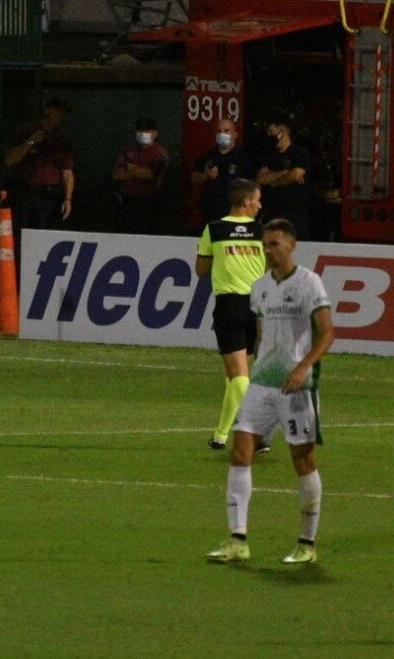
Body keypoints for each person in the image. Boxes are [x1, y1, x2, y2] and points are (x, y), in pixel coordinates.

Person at [207, 218, 334, 565]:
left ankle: (307, 543)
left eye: (274, 244)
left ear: (291, 245)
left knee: (303, 460)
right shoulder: (260, 286)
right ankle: (237, 540)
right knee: (240, 451)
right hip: (262, 384)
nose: (268, 250)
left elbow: (326, 332)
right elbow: (262, 334)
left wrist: (303, 366)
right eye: (265, 245)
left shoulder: (310, 283)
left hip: (297, 387)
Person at [195, 179, 267, 451]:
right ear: (247, 201)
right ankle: (236, 434)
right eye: (258, 199)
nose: (260, 204)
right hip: (259, 309)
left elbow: (201, 270)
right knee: (241, 375)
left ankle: (236, 432)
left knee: (238, 375)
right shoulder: (263, 231)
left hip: (229, 307)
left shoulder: (214, 229)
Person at [5, 97, 74, 260]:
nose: (62, 117)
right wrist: (30, 143)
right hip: (25, 192)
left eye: (64, 114)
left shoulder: (63, 139)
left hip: (49, 196)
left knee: (44, 237)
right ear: (49, 111)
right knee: (21, 235)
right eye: (59, 112)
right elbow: (9, 160)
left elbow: (67, 172)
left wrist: (68, 198)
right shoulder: (27, 131)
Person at [256, 116, 312, 240]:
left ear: (283, 133)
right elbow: (261, 178)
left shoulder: (300, 153)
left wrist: (274, 181)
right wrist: (286, 172)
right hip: (273, 214)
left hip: (295, 216)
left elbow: (297, 174)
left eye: (271, 132)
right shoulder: (268, 155)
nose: (268, 136)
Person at [112, 117, 169, 234]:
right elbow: (116, 174)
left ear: (155, 133)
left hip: (150, 202)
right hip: (128, 201)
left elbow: (150, 174)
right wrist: (138, 172)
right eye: (139, 131)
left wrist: (130, 168)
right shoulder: (128, 151)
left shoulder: (160, 153)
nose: (143, 134)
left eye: (147, 131)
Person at [191, 119, 254, 225]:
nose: (222, 134)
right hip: (210, 214)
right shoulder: (207, 156)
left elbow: (251, 188)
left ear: (234, 134)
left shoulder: (243, 159)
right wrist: (206, 177)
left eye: (226, 131)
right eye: (219, 131)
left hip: (234, 214)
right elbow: (194, 178)